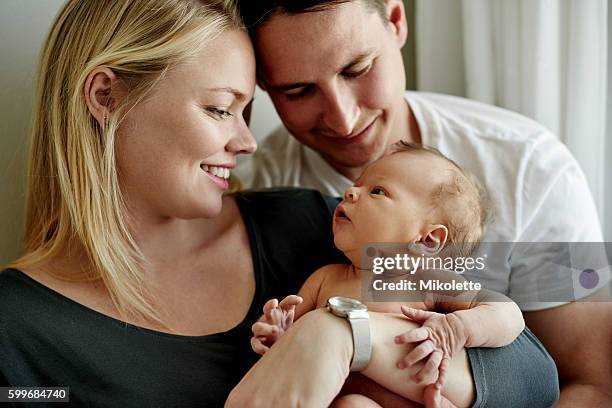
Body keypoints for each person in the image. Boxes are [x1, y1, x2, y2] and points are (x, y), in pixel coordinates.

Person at [0, 1, 558, 407]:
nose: (246, 142)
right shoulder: (17, 330)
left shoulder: (312, 220)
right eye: (221, 110)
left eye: (248, 113)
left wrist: (339, 335)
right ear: (106, 97)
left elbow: (533, 375)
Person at [234, 0, 612, 405]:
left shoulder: (533, 166)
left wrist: (453, 331)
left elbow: (594, 383)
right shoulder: (261, 191)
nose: (343, 119)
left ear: (396, 20)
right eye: (298, 90)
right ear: (263, 85)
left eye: (357, 69)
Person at [250, 142, 527, 407]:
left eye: (378, 191)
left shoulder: (426, 280)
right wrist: (275, 332)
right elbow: (294, 336)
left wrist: (456, 329)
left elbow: (508, 314)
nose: (350, 192)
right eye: (357, 184)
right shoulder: (325, 278)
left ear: (428, 240)